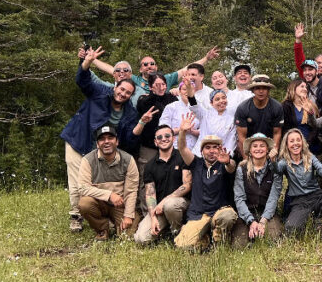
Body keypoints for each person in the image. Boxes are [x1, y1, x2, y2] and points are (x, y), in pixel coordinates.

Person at [62, 47, 138, 232]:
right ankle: (75, 216)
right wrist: (87, 62)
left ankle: (101, 215)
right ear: (116, 86)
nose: (123, 94)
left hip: (101, 147)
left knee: (96, 182)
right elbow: (83, 80)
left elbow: (128, 137)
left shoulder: (129, 112)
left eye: (128, 93)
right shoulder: (100, 92)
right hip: (79, 140)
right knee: (76, 182)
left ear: (131, 95)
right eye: (121, 89)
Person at [173, 113, 238, 251]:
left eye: (215, 147)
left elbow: (231, 167)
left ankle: (218, 242)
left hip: (219, 212)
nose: (212, 151)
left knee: (228, 215)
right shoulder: (196, 163)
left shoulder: (224, 164)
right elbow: (183, 148)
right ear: (202, 151)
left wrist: (227, 161)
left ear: (220, 149)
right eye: (208, 148)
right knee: (182, 246)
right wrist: (183, 132)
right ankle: (205, 239)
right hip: (199, 214)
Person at [90, 47, 219, 106]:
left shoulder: (166, 79)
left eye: (152, 64)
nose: (149, 66)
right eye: (145, 64)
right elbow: (112, 70)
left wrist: (206, 58)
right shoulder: (134, 79)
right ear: (140, 69)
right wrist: (91, 60)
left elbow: (186, 69)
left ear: (156, 67)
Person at [77, 125, 139, 240]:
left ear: (117, 141)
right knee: (84, 204)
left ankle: (116, 225)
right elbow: (83, 188)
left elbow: (131, 191)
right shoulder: (88, 160)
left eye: (110, 138)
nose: (106, 142)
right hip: (99, 203)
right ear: (97, 144)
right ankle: (102, 229)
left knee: (127, 237)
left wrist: (128, 215)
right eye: (102, 139)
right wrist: (109, 195)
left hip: (120, 205)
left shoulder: (128, 160)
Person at [134, 124, 191, 245]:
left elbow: (187, 185)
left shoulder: (182, 157)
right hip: (160, 209)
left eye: (167, 136)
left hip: (181, 204)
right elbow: (150, 194)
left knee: (170, 205)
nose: (163, 139)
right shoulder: (150, 165)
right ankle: (164, 231)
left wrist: (165, 200)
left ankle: (177, 234)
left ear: (173, 138)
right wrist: (153, 217)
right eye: (159, 137)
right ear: (155, 142)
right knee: (141, 238)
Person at [275, 129, 322, 234]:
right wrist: (272, 161)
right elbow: (276, 170)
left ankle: (321, 217)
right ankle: (311, 218)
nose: (295, 143)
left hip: (316, 196)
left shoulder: (310, 157)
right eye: (292, 141)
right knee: (291, 228)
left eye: (298, 140)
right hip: (300, 201)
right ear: (287, 145)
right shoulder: (284, 162)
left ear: (302, 142)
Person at [232, 133, 283, 248]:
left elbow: (273, 198)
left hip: (267, 213)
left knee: (273, 241)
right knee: (239, 246)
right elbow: (239, 199)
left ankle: (260, 230)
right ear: (250, 150)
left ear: (267, 150)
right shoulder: (241, 169)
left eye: (262, 146)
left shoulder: (275, 169)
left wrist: (263, 220)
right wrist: (251, 221)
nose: (258, 149)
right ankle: (252, 230)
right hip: (247, 213)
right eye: (255, 146)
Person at [131, 72, 176, 185]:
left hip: (167, 145)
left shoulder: (172, 99)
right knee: (146, 177)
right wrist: (153, 94)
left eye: (163, 84)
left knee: (168, 177)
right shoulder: (144, 100)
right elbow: (143, 105)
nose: (161, 87)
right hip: (149, 146)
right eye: (156, 84)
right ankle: (144, 203)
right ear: (150, 87)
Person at [234, 75, 284, 158]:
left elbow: (277, 133)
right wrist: (246, 159)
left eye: (264, 88)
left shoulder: (277, 107)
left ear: (268, 90)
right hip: (249, 149)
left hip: (269, 148)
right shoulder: (243, 108)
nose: (261, 91)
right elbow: (242, 137)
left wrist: (273, 155)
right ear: (253, 90)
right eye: (257, 88)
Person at [189, 86, 238, 155]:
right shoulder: (205, 114)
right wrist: (189, 89)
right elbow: (194, 105)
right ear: (211, 103)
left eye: (223, 98)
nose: (221, 101)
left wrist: (226, 156)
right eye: (217, 99)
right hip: (200, 154)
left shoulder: (231, 120)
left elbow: (231, 141)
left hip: (219, 156)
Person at [281, 79, 320, 153]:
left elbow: (315, 127)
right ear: (293, 88)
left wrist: (307, 143)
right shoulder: (286, 106)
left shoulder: (311, 105)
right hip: (293, 147)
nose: (305, 89)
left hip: (311, 147)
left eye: (306, 87)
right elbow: (285, 129)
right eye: (302, 86)